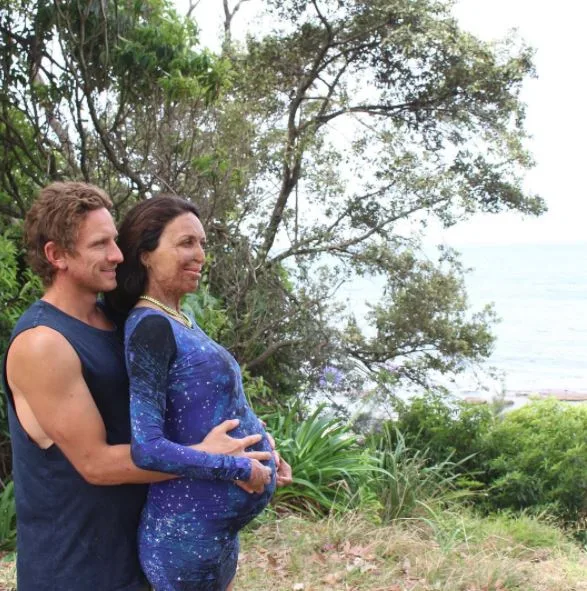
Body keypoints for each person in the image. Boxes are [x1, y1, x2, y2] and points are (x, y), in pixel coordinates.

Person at [2, 182, 287, 591]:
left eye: (115, 241)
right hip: (77, 570)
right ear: (56, 255)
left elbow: (170, 413)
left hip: (138, 550)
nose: (117, 255)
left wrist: (251, 443)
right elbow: (96, 464)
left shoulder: (116, 321)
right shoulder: (42, 344)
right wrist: (211, 458)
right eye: (100, 245)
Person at [107, 195, 277, 591]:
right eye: (186, 243)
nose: (200, 254)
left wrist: (266, 448)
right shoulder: (150, 327)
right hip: (184, 538)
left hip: (214, 535)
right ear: (146, 254)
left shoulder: (182, 319)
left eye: (201, 243)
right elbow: (147, 449)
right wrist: (241, 468)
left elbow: (215, 404)